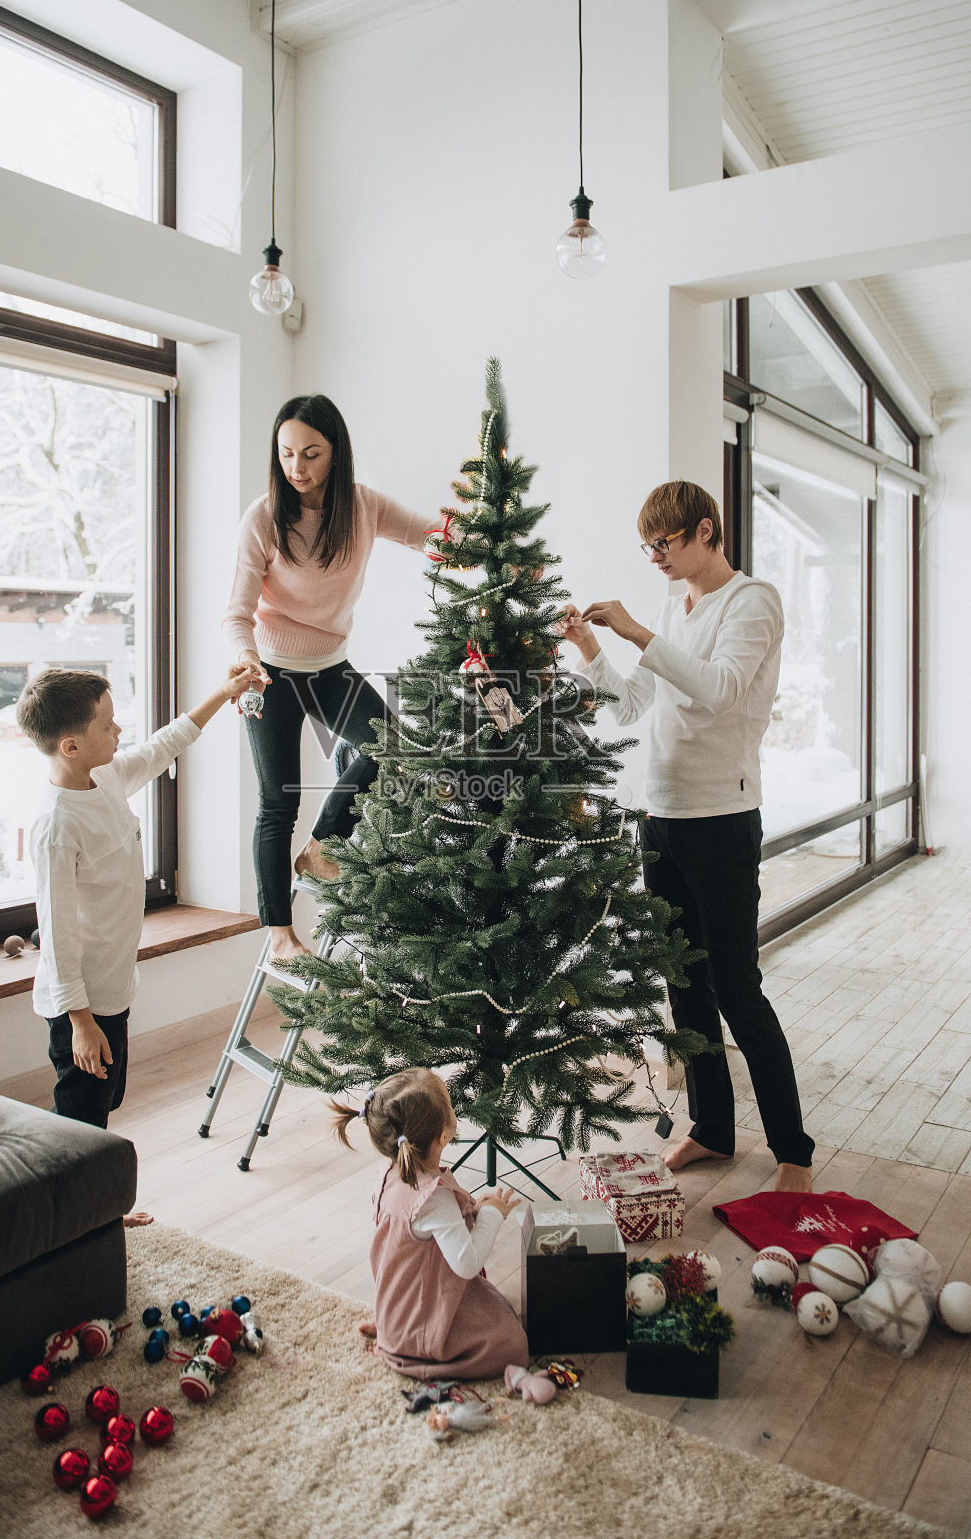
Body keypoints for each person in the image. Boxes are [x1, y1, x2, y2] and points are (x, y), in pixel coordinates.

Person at [561, 480, 814, 1193]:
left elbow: (722, 688)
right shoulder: (679, 605)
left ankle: (793, 1146)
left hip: (722, 819)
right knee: (684, 984)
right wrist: (591, 650)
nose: (654, 558)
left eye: (663, 544)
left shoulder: (751, 600)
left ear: (706, 531)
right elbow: (633, 704)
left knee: (737, 985)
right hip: (661, 815)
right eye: (647, 546)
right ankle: (712, 1128)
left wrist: (640, 632)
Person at [17, 664, 252, 1222]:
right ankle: (74, 1220)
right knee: (81, 1115)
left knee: (103, 1103)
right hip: (80, 1002)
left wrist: (222, 692)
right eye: (108, 724)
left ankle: (93, 1207)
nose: (119, 732)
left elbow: (164, 745)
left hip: (113, 987)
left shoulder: (105, 778)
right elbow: (57, 932)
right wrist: (79, 1020)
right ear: (71, 745)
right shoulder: (55, 825)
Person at [223, 395, 441, 962]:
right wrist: (246, 659)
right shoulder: (263, 517)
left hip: (329, 669)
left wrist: (492, 541)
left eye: (312, 454)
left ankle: (321, 848)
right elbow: (236, 612)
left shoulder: (362, 507)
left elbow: (431, 537)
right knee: (276, 803)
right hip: (269, 674)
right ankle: (278, 933)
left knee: (393, 746)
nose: (298, 468)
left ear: (336, 453)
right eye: (287, 454)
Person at [330, 1068, 529, 1379]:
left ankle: (393, 1332)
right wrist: (493, 1214)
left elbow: (420, 1236)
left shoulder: (390, 1173)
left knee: (490, 1310)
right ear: (443, 1135)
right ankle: (409, 1351)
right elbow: (467, 1263)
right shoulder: (433, 1198)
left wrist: (474, 1208)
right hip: (421, 1322)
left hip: (399, 1303)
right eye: (450, 1105)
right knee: (512, 1342)